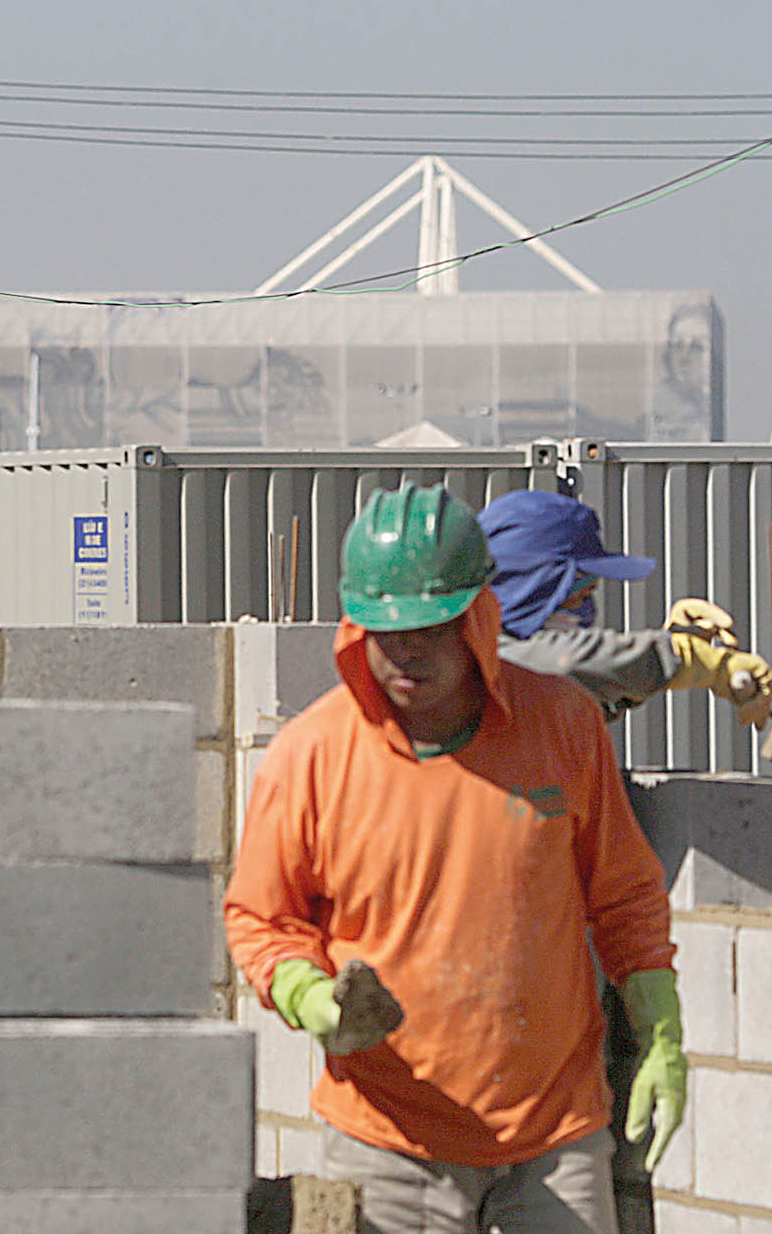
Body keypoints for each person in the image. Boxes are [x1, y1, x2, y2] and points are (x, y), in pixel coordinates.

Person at [225, 484, 684, 1234]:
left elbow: (626, 896)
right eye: (385, 628)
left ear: (478, 613)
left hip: (554, 1144)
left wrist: (661, 1032)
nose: (406, 650)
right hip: (388, 1148)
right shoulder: (311, 756)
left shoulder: (562, 724)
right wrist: (311, 997)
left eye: (431, 628)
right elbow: (259, 917)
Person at [479, 489, 771, 742]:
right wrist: (681, 656)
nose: (586, 610)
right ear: (532, 588)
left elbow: (572, 692)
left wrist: (668, 648)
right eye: (578, 594)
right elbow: (560, 662)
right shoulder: (473, 659)